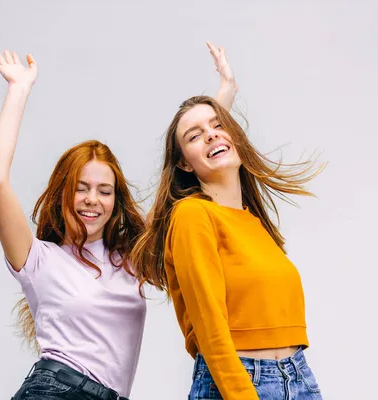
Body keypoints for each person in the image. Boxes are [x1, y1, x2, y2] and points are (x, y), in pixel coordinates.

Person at [0, 44, 238, 400]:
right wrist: (19, 89)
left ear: (115, 201)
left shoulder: (131, 259)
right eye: (81, 188)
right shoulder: (37, 259)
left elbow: (185, 178)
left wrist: (223, 97)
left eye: (105, 191)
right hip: (56, 391)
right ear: (63, 193)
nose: (92, 200)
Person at [131, 46, 324, 399]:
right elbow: (211, 329)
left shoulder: (253, 223)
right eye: (194, 135)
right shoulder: (192, 216)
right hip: (238, 382)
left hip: (298, 378)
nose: (211, 134)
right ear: (184, 164)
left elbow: (214, 141)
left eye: (219, 126)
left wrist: (226, 93)